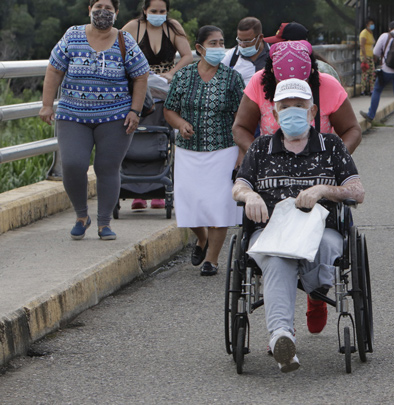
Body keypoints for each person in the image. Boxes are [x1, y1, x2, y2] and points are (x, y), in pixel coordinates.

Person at [232, 78, 365, 373]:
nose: (292, 111)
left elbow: (357, 192)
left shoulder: (330, 146)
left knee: (327, 247)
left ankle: (313, 293)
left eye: (299, 106)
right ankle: (282, 338)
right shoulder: (260, 147)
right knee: (277, 257)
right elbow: (238, 187)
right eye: (285, 107)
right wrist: (250, 194)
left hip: (321, 231)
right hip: (272, 232)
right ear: (275, 114)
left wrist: (323, 190)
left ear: (312, 110)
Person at [39, 0, 150, 241]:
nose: (103, 12)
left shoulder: (124, 40)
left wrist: (135, 111)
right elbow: (54, 69)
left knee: (107, 168)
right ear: (89, 9)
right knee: (73, 165)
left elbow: (141, 75)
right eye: (98, 6)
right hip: (73, 114)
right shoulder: (72, 35)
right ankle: (81, 216)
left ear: (116, 13)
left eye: (109, 8)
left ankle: (104, 222)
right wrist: (47, 104)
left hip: (116, 116)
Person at [163, 25, 245, 276]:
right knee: (190, 205)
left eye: (222, 43)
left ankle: (212, 259)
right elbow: (169, 109)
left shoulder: (232, 78)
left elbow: (241, 118)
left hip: (223, 149)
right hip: (189, 151)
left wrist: (242, 153)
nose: (219, 48)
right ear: (199, 48)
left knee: (220, 205)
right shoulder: (184, 76)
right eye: (213, 43)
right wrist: (180, 124)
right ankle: (202, 238)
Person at [233, 40, 362, 159]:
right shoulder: (259, 83)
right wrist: (258, 159)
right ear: (272, 73)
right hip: (272, 170)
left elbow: (352, 130)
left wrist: (335, 159)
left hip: (319, 169)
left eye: (300, 83)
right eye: (284, 84)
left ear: (311, 72)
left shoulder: (328, 85)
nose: (292, 92)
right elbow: (241, 127)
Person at [121, 0, 192, 211]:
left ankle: (159, 188)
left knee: (161, 138)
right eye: (154, 11)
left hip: (164, 89)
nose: (158, 15)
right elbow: (118, 49)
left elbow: (187, 56)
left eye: (162, 11)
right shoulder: (133, 27)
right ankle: (135, 190)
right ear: (145, 11)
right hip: (138, 91)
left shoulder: (172, 28)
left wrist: (171, 73)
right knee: (136, 138)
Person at [360, 21, 394, 131]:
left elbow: (375, 52)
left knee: (377, 90)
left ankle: (371, 115)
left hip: (386, 70)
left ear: (390, 28)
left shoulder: (385, 36)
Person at [221, 17, 269, 85]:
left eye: (247, 41)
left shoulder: (273, 55)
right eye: (240, 40)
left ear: (260, 37)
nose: (242, 45)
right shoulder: (231, 57)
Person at [358, 17, 376, 96]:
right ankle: (363, 90)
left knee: (372, 73)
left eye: (373, 24)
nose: (372, 25)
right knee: (365, 73)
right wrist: (364, 57)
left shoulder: (370, 33)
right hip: (365, 56)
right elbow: (362, 45)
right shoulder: (364, 33)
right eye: (370, 24)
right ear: (367, 25)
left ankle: (371, 89)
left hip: (370, 56)